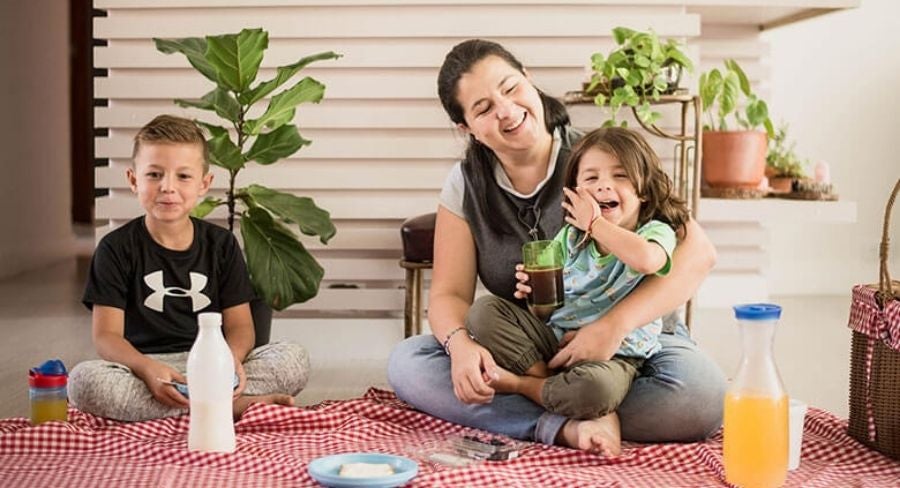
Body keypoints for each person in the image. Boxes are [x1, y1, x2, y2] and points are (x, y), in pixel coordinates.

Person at [387, 39, 727, 451]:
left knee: (701, 397)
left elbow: (699, 253)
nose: (507, 111)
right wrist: (460, 349)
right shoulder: (465, 185)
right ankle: (569, 421)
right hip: (531, 346)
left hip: (635, 344)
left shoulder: (600, 160)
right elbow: (449, 294)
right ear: (467, 128)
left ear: (530, 80)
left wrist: (612, 327)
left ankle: (561, 405)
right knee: (409, 364)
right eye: (483, 108)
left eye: (510, 88)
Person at [69, 115, 309, 422]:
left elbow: (241, 327)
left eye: (183, 176)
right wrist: (146, 368)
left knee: (293, 358)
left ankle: (183, 408)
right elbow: (106, 336)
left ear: (204, 184)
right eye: (154, 174)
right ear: (133, 180)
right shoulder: (116, 248)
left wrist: (229, 361)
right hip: (146, 370)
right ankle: (232, 407)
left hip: (212, 363)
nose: (168, 187)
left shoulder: (221, 245)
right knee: (84, 381)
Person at [468, 127, 691, 455]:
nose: (603, 185)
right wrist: (535, 296)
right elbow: (546, 311)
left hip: (615, 356)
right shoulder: (569, 239)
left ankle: (523, 385)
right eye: (591, 178)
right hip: (557, 343)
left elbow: (647, 261)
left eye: (621, 175)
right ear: (575, 193)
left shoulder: (654, 232)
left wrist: (596, 224)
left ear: (644, 190)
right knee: (482, 312)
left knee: (594, 390)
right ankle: (550, 382)